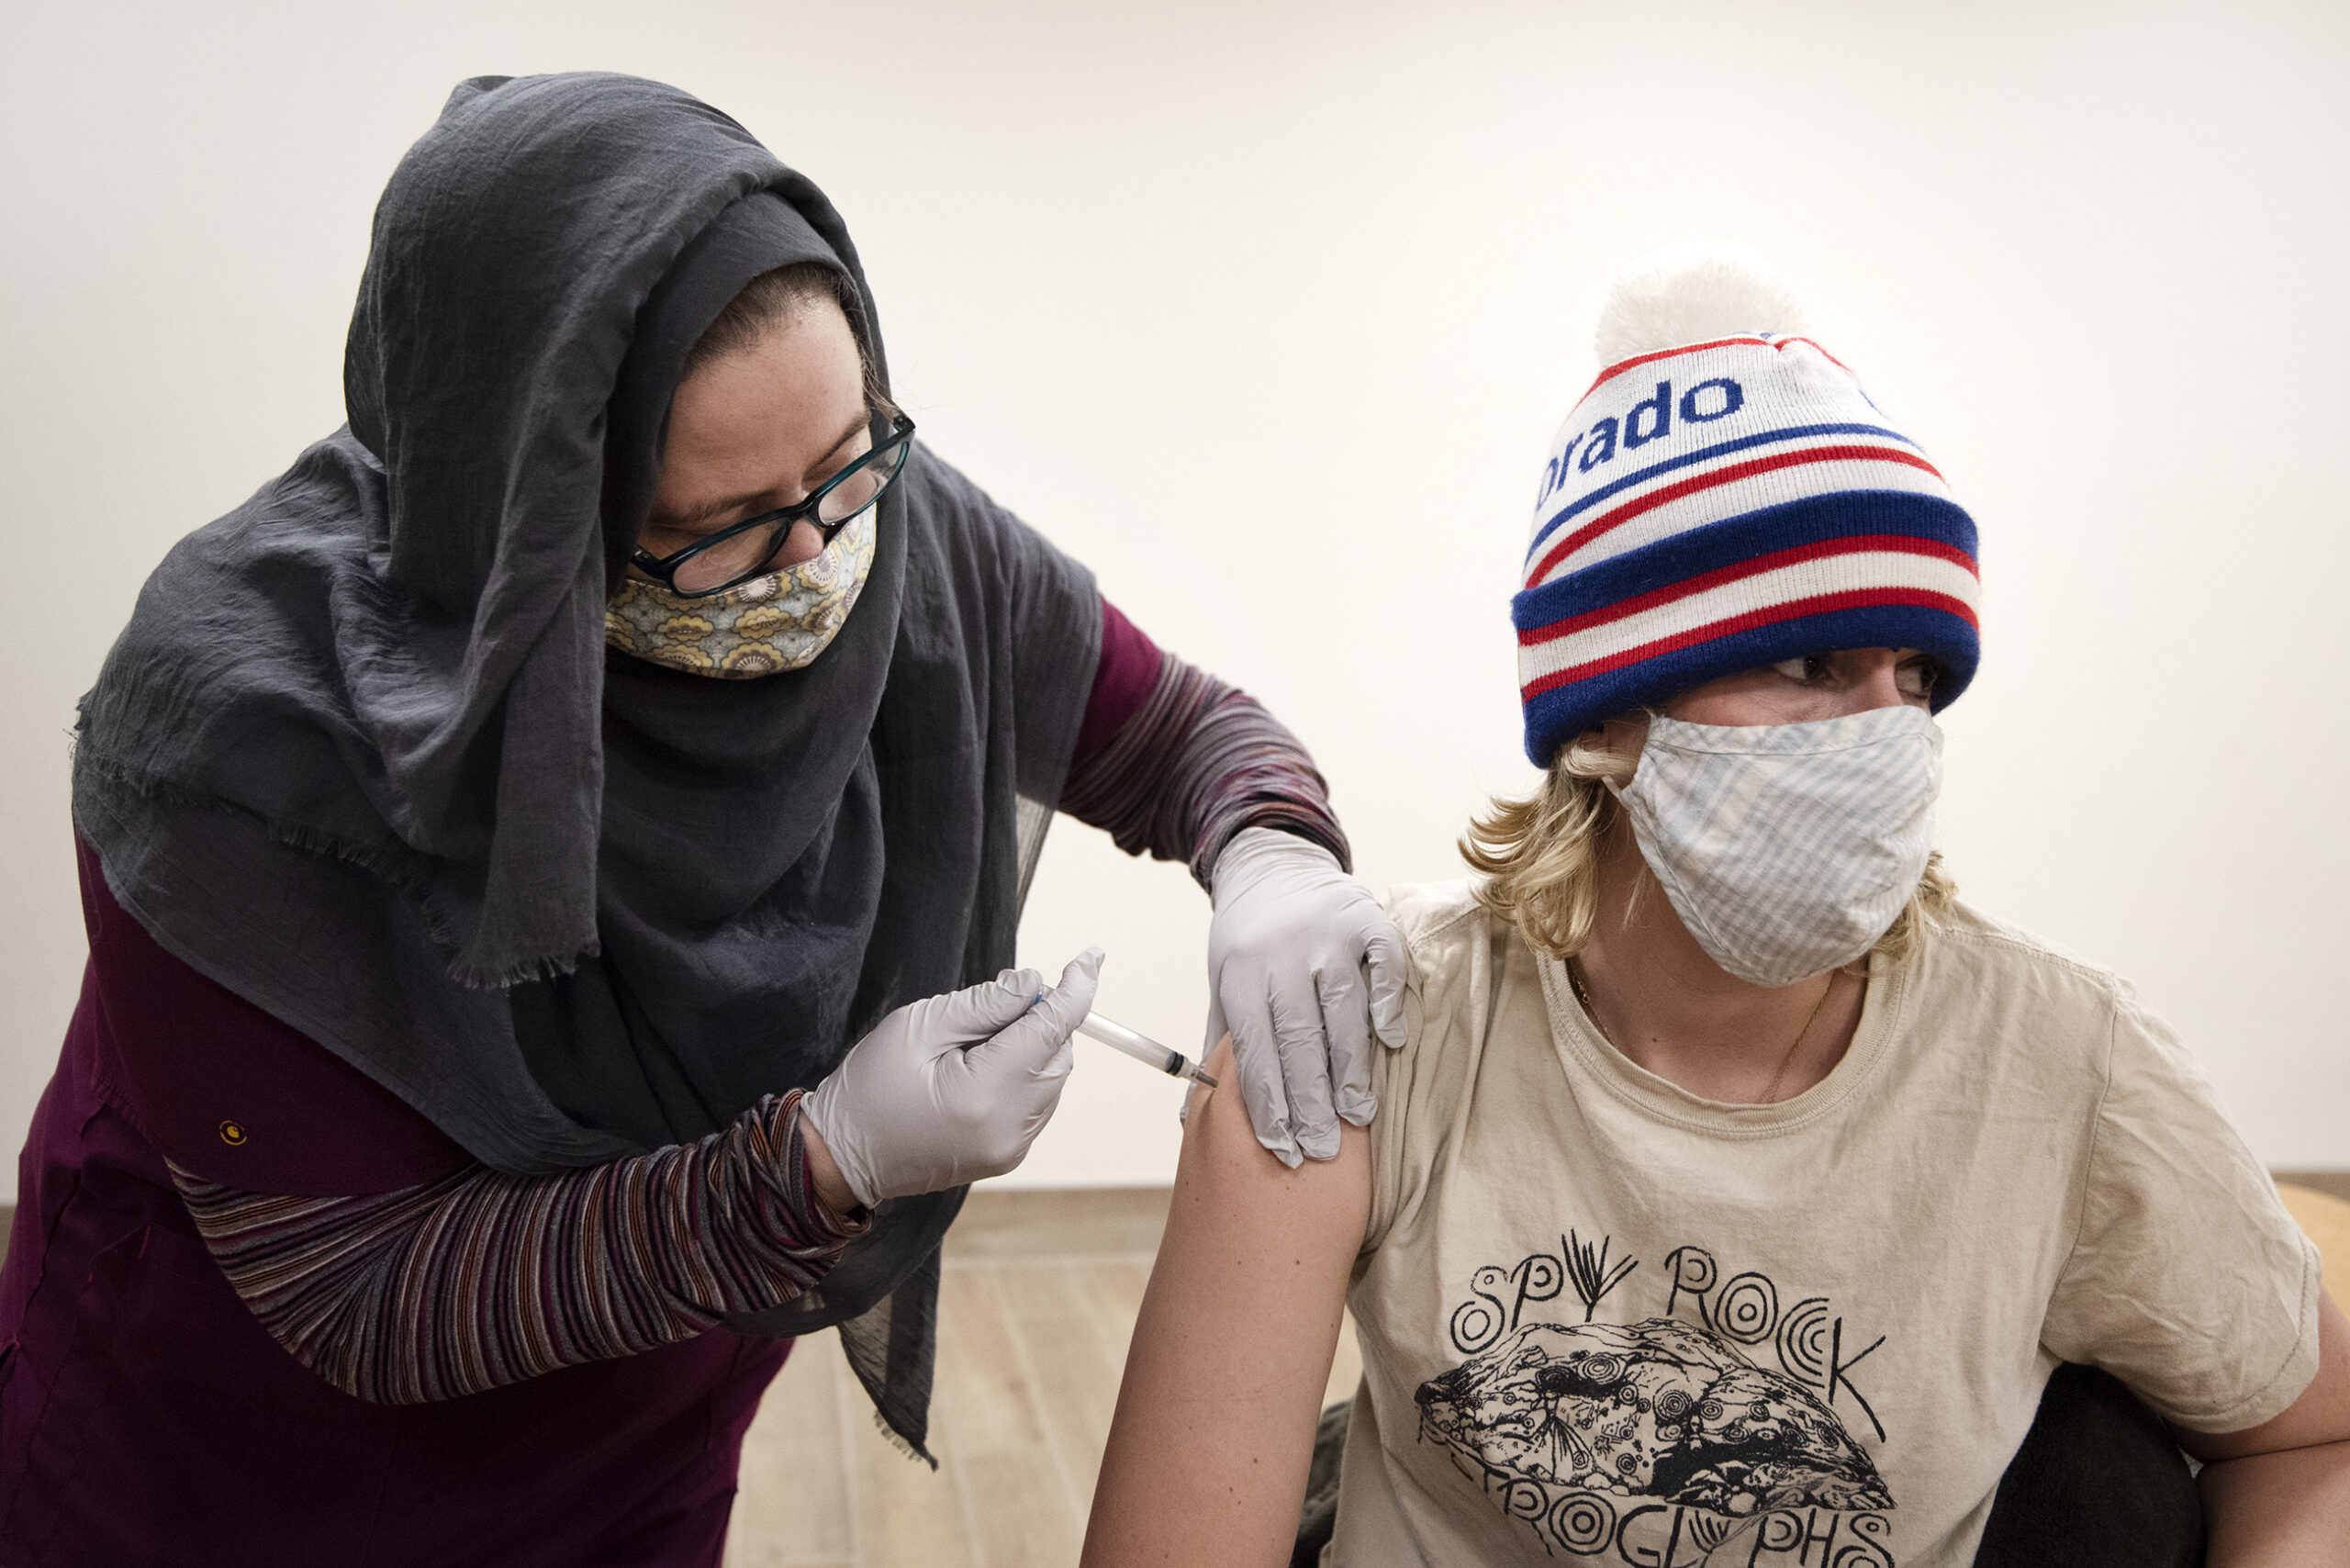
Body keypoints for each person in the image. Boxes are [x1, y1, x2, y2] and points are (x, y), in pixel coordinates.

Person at [0, 73, 1401, 1564]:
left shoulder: (882, 529)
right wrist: (815, 1168)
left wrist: (1270, 853)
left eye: (847, 462)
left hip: (638, 1442)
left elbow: (1181, 730)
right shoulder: (243, 747)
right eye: (715, 531)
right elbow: (364, 1293)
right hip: (236, 1471)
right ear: (534, 522)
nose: (811, 560)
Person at [1081, 248, 2350, 1566]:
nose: (1889, 738)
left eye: (1918, 677)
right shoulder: (1373, 1027)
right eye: (1812, 662)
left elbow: (2318, 1435)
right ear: (1608, 717)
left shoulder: (2060, 1064)